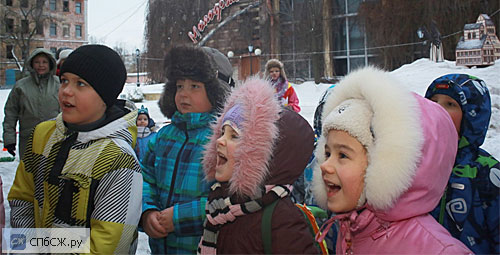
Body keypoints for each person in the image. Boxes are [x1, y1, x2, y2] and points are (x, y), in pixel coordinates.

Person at [313, 66, 472, 254]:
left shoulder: (440, 251)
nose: (325, 164)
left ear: (386, 166)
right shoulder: (352, 228)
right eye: (327, 152)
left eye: (343, 155)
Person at [8, 44, 142, 254]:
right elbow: (21, 199)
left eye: (81, 84)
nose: (66, 91)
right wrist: (25, 248)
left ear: (105, 96)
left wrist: (45, 247)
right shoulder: (42, 135)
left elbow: (108, 244)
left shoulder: (117, 159)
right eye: (64, 81)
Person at [198, 77, 318, 254]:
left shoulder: (281, 219)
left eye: (235, 136)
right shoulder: (220, 206)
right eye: (222, 132)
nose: (220, 141)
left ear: (263, 156)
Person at [141, 45, 234, 254]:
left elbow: (229, 197)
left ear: (215, 93)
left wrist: (178, 217)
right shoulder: (163, 137)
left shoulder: (221, 139)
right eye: (179, 86)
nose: (184, 94)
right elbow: (145, 178)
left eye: (194, 86)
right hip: (161, 247)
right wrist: (147, 212)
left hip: (201, 247)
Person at [425, 74, 499, 254]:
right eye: (433, 102)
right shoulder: (417, 163)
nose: (438, 109)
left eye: (450, 104)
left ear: (472, 116)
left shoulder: (487, 173)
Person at [3, 48, 60, 159]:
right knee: (29, 173)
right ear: (31, 64)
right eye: (37, 62)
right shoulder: (21, 86)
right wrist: (9, 139)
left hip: (55, 139)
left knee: (53, 172)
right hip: (29, 140)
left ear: (50, 64)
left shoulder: (59, 84)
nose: (41, 65)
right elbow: (11, 113)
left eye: (44, 62)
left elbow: (70, 110)